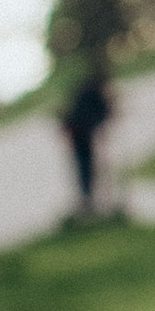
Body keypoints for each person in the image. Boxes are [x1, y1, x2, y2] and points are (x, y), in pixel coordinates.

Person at [58, 62, 114, 222]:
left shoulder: (85, 91)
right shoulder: (93, 94)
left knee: (85, 167)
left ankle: (88, 198)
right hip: (81, 134)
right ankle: (88, 199)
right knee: (86, 167)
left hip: (80, 133)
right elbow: (99, 114)